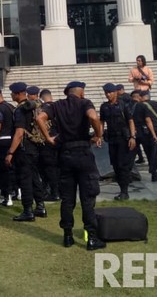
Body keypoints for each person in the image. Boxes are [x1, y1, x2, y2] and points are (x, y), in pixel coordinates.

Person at [35, 81, 105, 251]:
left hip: (65, 155)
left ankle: (67, 236)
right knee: (88, 198)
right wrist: (98, 134)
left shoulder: (57, 105)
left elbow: (39, 118)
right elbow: (93, 117)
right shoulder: (85, 103)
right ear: (81, 92)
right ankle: (92, 238)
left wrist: (48, 138)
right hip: (83, 153)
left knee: (67, 199)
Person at [4, 82, 47, 222]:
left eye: (12, 93)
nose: (11, 95)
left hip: (24, 149)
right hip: (34, 147)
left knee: (25, 180)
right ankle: (40, 206)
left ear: (17, 94)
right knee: (34, 177)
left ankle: (28, 210)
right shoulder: (32, 107)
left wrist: (10, 152)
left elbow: (19, 132)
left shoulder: (20, 110)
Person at [99, 83, 136, 201]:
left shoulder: (123, 105)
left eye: (109, 92)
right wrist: (99, 136)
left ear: (115, 92)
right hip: (112, 139)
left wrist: (132, 137)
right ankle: (122, 189)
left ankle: (124, 191)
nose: (107, 95)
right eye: (106, 93)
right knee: (115, 165)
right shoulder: (104, 106)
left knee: (122, 165)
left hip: (123, 139)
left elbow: (130, 121)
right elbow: (101, 122)